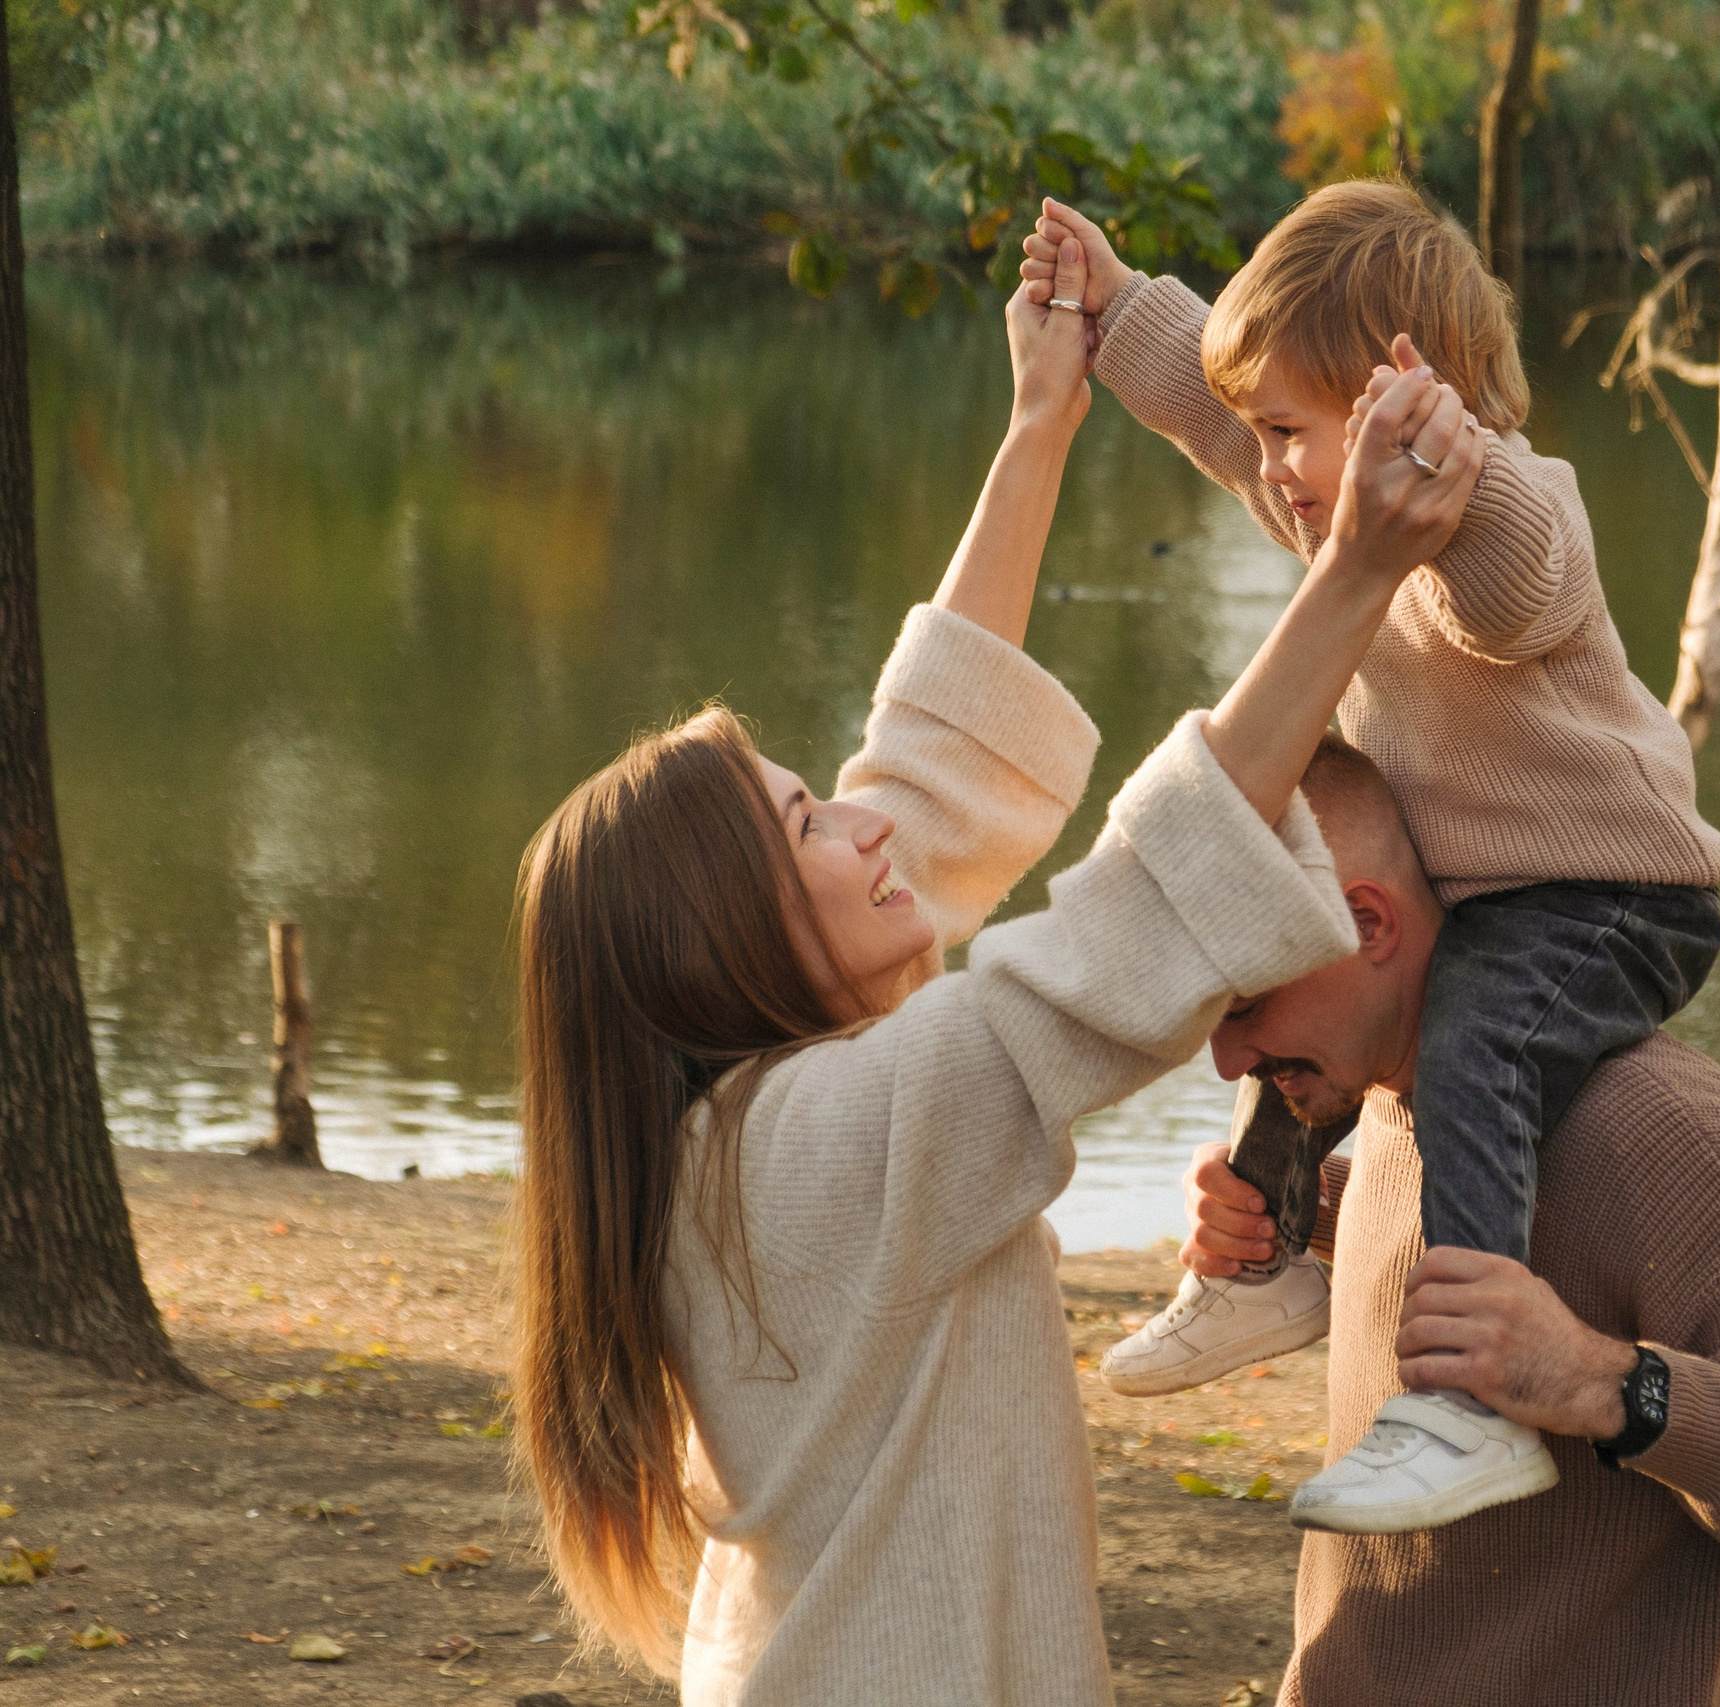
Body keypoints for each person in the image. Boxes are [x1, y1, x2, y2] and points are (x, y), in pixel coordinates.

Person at [506, 234, 1487, 1705]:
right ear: (719, 936)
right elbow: (1124, 930)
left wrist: (1039, 423)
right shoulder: (810, 1152)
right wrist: (1356, 568)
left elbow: (929, 771)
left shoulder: (743, 1124)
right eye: (809, 822)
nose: (866, 821)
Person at [1022, 181, 1720, 1533]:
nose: (1267, 465)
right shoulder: (1329, 507)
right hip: (1473, 889)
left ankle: (1469, 1406)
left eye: (1290, 429)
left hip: (1610, 896)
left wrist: (1451, 460)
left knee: (1474, 1043)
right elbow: (1206, 408)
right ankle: (1266, 1265)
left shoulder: (1515, 509)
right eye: (1268, 432)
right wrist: (1114, 303)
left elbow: (1514, 585)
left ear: (1396, 398)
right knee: (1285, 980)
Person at [1184, 737, 1720, 1705]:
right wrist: (1306, 1218)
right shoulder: (1391, 1099)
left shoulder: (1658, 1129)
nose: (1226, 1060)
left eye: (1247, 1006)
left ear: (1366, 920)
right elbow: (1551, 1248)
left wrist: (1603, 1383)